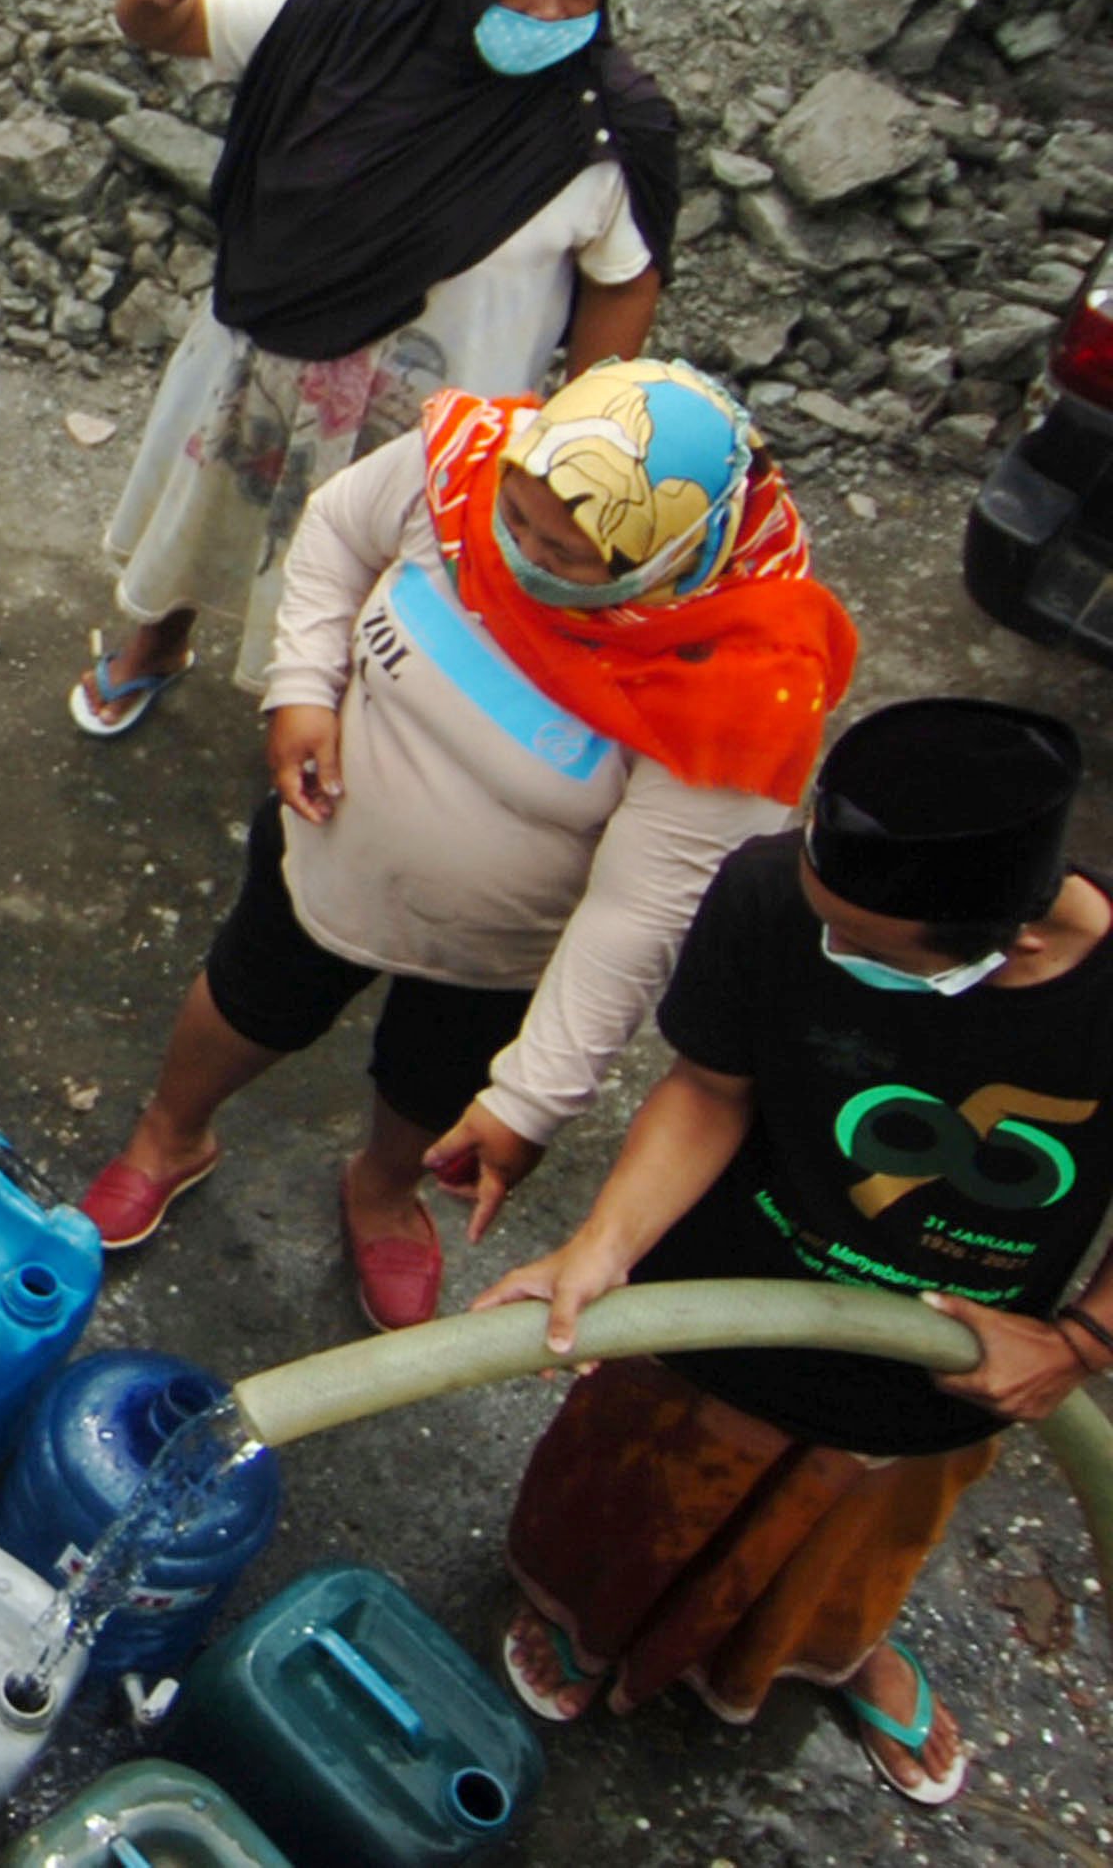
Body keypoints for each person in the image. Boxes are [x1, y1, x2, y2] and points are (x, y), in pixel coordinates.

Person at [77, 359, 861, 1330]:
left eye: (567, 554)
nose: (519, 553)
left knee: (433, 1082)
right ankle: (169, 1136)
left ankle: (380, 1189)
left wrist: (531, 1100)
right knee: (247, 995)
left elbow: (638, 915)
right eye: (516, 522)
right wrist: (302, 689)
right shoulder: (471, 463)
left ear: (668, 557)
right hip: (328, 849)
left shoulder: (739, 687)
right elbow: (334, 529)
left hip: (493, 955)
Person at [479, 698, 1113, 1811]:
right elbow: (709, 1087)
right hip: (721, 1306)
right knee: (634, 1501)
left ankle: (828, 1649)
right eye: (825, 920)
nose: (827, 948)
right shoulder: (772, 890)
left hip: (943, 1369)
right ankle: (593, 1616)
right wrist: (602, 1246)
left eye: (862, 949)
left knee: (851, 1543)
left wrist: (1081, 1341)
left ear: (1009, 944)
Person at [77, 0, 681, 739]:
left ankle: (339, 718)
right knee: (207, 518)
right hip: (271, 370)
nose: (552, 13)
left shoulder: (605, 126)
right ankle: (159, 641)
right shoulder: (340, 13)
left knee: (389, 589)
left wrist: (580, 436)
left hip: (434, 428)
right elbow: (176, 23)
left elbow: (625, 277)